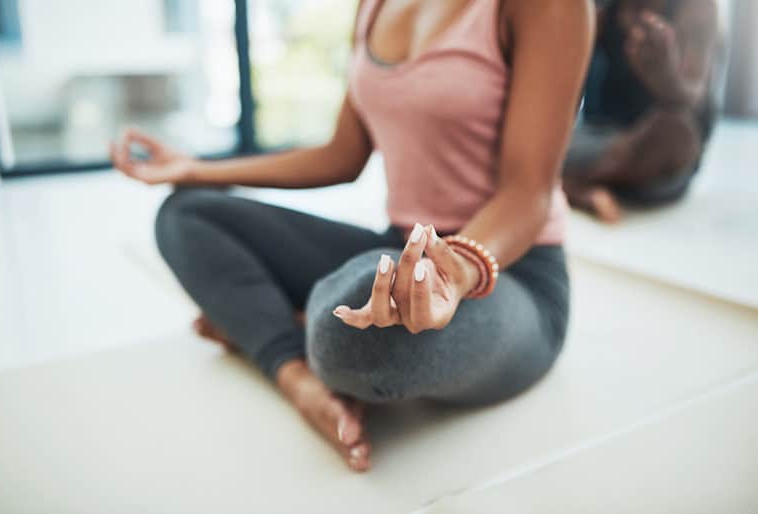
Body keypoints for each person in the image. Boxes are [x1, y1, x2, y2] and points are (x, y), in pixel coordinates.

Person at [111, 0, 593, 472]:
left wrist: (455, 269)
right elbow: (341, 155)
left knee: (351, 326)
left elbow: (528, 194)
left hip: (507, 274)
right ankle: (295, 372)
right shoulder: (373, 5)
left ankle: (273, 324)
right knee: (186, 213)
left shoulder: (549, 7)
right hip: (399, 250)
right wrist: (198, 169)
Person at [563, 0, 720, 223]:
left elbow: (693, 98)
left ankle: (566, 185)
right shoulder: (602, 11)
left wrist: (664, 76)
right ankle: (577, 188)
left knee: (675, 133)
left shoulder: (696, 7)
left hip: (654, 146)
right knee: (526, 139)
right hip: (600, 139)